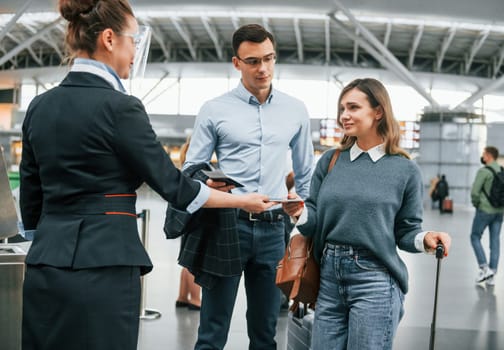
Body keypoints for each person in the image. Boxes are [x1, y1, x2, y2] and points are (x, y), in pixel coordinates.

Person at [18, 2, 273, 349]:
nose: (134, 50)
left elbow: (32, 201)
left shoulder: (39, 107)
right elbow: (174, 187)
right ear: (109, 39)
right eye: (133, 40)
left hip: (44, 265)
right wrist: (242, 199)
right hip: (105, 266)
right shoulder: (120, 107)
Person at [283, 78, 451, 350]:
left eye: (353, 107)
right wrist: (299, 212)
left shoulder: (404, 170)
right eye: (342, 109)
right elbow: (313, 215)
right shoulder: (331, 160)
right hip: (328, 278)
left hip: (375, 280)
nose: (344, 116)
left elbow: (406, 231)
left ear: (378, 111)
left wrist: (426, 238)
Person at [184, 23, 315, 350]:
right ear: (237, 63)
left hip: (274, 231)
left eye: (269, 59)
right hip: (227, 226)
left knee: (265, 333)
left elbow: (307, 173)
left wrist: (309, 220)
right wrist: (210, 179)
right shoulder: (214, 110)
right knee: (212, 332)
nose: (264, 68)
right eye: (253, 61)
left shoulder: (295, 110)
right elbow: (191, 169)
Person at [470, 146, 504, 286]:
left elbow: (475, 192)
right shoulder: (502, 170)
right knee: (495, 241)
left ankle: (484, 267)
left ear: (489, 156)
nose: (482, 156)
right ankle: (492, 273)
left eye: (484, 154)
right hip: (499, 211)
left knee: (474, 236)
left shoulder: (483, 171)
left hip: (485, 210)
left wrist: (477, 204)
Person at [175, 137, 201, 310]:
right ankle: (195, 299)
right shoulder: (199, 168)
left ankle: (183, 296)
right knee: (196, 262)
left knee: (186, 260)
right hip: (197, 218)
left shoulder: (185, 167)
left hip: (185, 218)